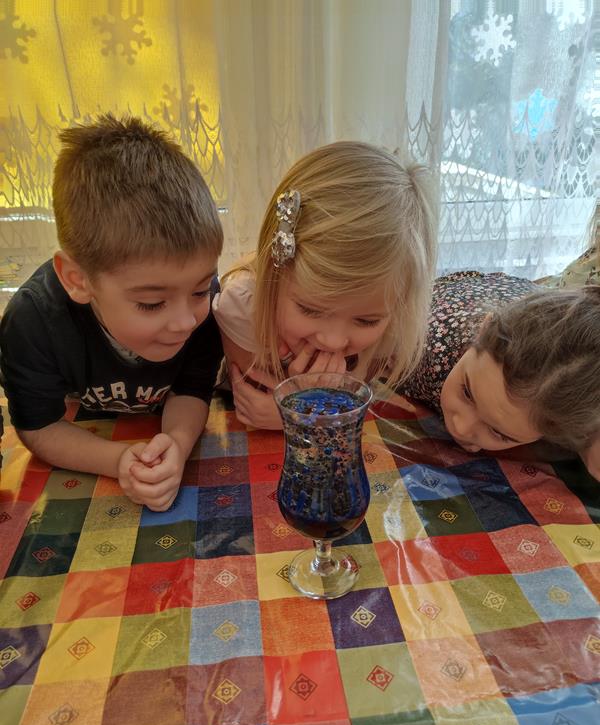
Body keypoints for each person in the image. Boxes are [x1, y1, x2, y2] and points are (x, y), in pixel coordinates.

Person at [0, 114, 224, 511]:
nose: (186, 321)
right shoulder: (32, 322)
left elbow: (191, 389)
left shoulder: (199, 304)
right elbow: (40, 426)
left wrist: (176, 443)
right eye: (151, 303)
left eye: (200, 290)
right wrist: (119, 461)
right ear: (77, 280)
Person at [213, 141, 436, 429]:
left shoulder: (396, 320)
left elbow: (355, 393)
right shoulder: (244, 306)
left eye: (366, 320)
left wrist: (310, 409)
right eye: (310, 309)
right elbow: (251, 397)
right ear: (273, 277)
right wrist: (305, 405)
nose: (333, 340)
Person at [400, 271, 600, 481]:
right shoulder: (423, 355)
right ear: (483, 330)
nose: (461, 427)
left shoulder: (574, 417)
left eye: (498, 433)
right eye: (467, 393)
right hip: (470, 290)